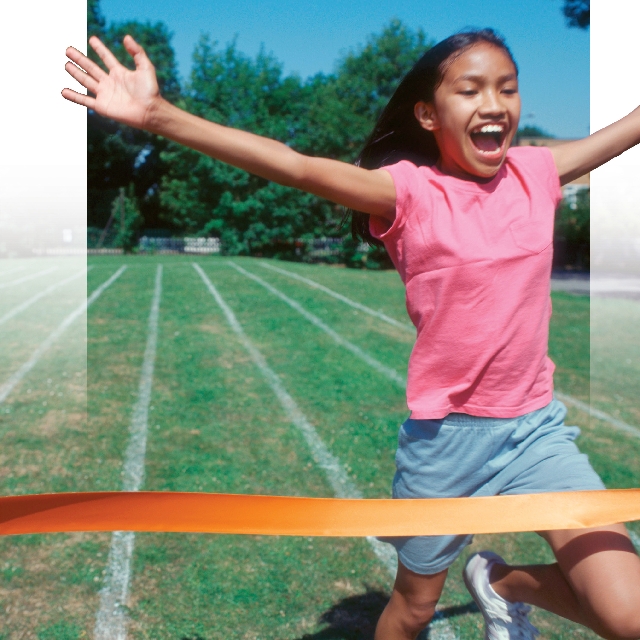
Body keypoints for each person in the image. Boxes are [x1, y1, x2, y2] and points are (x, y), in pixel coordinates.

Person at [62, 29, 640, 640]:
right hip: (447, 444)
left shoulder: (537, 172)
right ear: (427, 113)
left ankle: (501, 585)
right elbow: (296, 166)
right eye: (470, 90)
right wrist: (158, 115)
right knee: (414, 609)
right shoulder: (409, 192)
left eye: (507, 88)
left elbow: (624, 129)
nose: (493, 103)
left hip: (536, 433)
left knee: (627, 616)